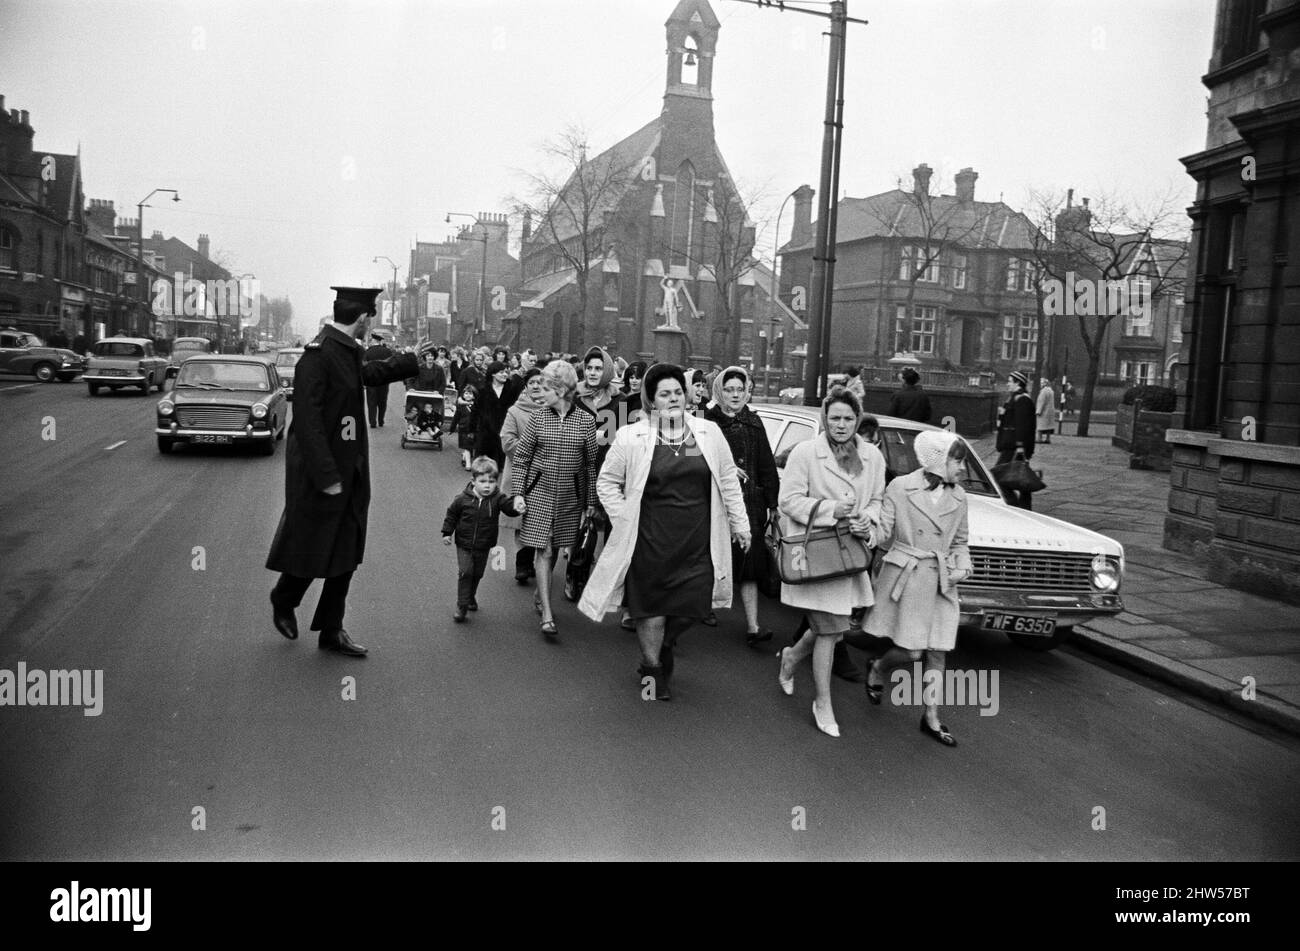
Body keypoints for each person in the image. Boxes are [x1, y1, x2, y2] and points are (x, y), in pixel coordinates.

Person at [265, 285, 421, 657]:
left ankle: (331, 630)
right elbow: (308, 424)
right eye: (373, 316)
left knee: (346, 552)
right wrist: (327, 477)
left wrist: (408, 361)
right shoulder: (317, 356)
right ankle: (284, 597)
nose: (373, 323)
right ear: (364, 318)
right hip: (324, 473)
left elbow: (365, 375)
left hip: (350, 469)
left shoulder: (346, 350)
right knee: (313, 543)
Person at [579, 363, 749, 701]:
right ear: (652, 401)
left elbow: (729, 479)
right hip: (649, 539)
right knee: (651, 607)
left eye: (677, 393)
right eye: (664, 394)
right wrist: (625, 516)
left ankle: (665, 644)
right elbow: (607, 482)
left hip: (697, 539)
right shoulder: (632, 435)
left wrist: (740, 523)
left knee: (694, 605)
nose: (673, 399)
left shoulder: (707, 433)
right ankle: (652, 669)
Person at [775, 387, 885, 737]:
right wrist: (828, 510)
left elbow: (877, 501)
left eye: (848, 418)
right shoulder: (806, 453)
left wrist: (867, 520)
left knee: (833, 629)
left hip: (849, 554)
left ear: (858, 420)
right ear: (825, 418)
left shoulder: (873, 458)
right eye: (834, 417)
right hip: (818, 554)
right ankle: (823, 702)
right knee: (830, 631)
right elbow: (787, 501)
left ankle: (792, 657)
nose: (841, 425)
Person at [862, 430, 973, 747]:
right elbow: (883, 532)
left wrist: (962, 566)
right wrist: (865, 528)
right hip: (909, 577)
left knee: (939, 650)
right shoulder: (900, 486)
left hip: (941, 579)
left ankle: (931, 717)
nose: (962, 468)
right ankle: (879, 665)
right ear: (940, 460)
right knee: (912, 651)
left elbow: (961, 542)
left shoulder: (960, 496)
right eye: (958, 460)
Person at [509, 360, 599, 640]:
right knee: (544, 550)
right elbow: (522, 457)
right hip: (539, 494)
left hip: (570, 498)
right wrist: (519, 493)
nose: (539, 393)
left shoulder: (586, 421)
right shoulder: (538, 418)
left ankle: (542, 590)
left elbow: (591, 464)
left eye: (546, 388)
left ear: (560, 390)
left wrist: (591, 502)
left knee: (559, 545)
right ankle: (548, 614)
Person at [705, 366, 780, 647]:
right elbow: (694, 458)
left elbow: (767, 465)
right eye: (729, 389)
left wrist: (772, 501)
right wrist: (724, 468)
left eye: (740, 389)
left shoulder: (754, 422)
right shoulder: (706, 421)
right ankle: (706, 606)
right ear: (720, 391)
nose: (735, 395)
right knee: (713, 555)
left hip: (750, 503)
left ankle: (753, 626)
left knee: (751, 562)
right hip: (715, 500)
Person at [442, 456, 527, 623]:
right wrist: (447, 532)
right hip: (464, 543)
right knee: (466, 572)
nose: (488, 485)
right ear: (473, 481)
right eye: (482, 481)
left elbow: (508, 508)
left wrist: (517, 508)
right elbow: (452, 515)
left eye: (492, 481)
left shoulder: (497, 498)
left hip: (484, 544)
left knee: (477, 574)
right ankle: (462, 605)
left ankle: (471, 595)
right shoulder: (462, 499)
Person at [501, 366, 545, 584]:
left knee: (541, 519)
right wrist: (535, 450)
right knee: (522, 518)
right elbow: (507, 442)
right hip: (522, 473)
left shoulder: (555, 409)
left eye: (540, 382)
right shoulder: (515, 411)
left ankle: (539, 563)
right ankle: (522, 564)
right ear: (526, 386)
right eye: (532, 383)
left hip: (546, 475)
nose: (536, 386)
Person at [995, 369, 1037, 509]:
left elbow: (1022, 425)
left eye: (1010, 381)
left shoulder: (1022, 400)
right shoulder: (1014, 398)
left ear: (1018, 382)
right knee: (1020, 477)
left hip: (1014, 446)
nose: (1007, 384)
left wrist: (1020, 447)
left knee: (998, 477)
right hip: (1010, 445)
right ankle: (1025, 507)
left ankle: (1013, 505)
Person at [474, 360, 516, 469]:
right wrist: (472, 429)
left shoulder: (511, 389)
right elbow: (476, 410)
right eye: (501, 372)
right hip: (486, 431)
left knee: (501, 467)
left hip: (504, 429)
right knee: (483, 467)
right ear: (493, 373)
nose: (504, 375)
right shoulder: (483, 390)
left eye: (506, 372)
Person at [363, 332, 395, 427]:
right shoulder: (387, 351)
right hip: (383, 381)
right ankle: (381, 420)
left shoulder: (368, 352)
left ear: (373, 341)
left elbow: (364, 366)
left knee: (371, 401)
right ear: (380, 341)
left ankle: (372, 422)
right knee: (382, 401)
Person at [451, 384, 478, 469]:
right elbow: (456, 417)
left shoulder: (476, 406)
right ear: (463, 395)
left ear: (474, 396)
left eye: (470, 394)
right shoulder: (460, 406)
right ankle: (468, 464)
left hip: (474, 428)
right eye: (466, 393)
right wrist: (452, 427)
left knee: (472, 446)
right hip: (463, 428)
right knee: (466, 446)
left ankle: (464, 457)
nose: (468, 395)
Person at [1036, 377, 1056, 444]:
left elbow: (1041, 402)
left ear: (1044, 384)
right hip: (1050, 411)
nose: (1040, 384)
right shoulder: (1051, 391)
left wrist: (1038, 411)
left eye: (1041, 383)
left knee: (1040, 425)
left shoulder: (1043, 391)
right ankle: (1048, 439)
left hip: (1044, 411)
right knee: (1048, 426)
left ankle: (1039, 439)